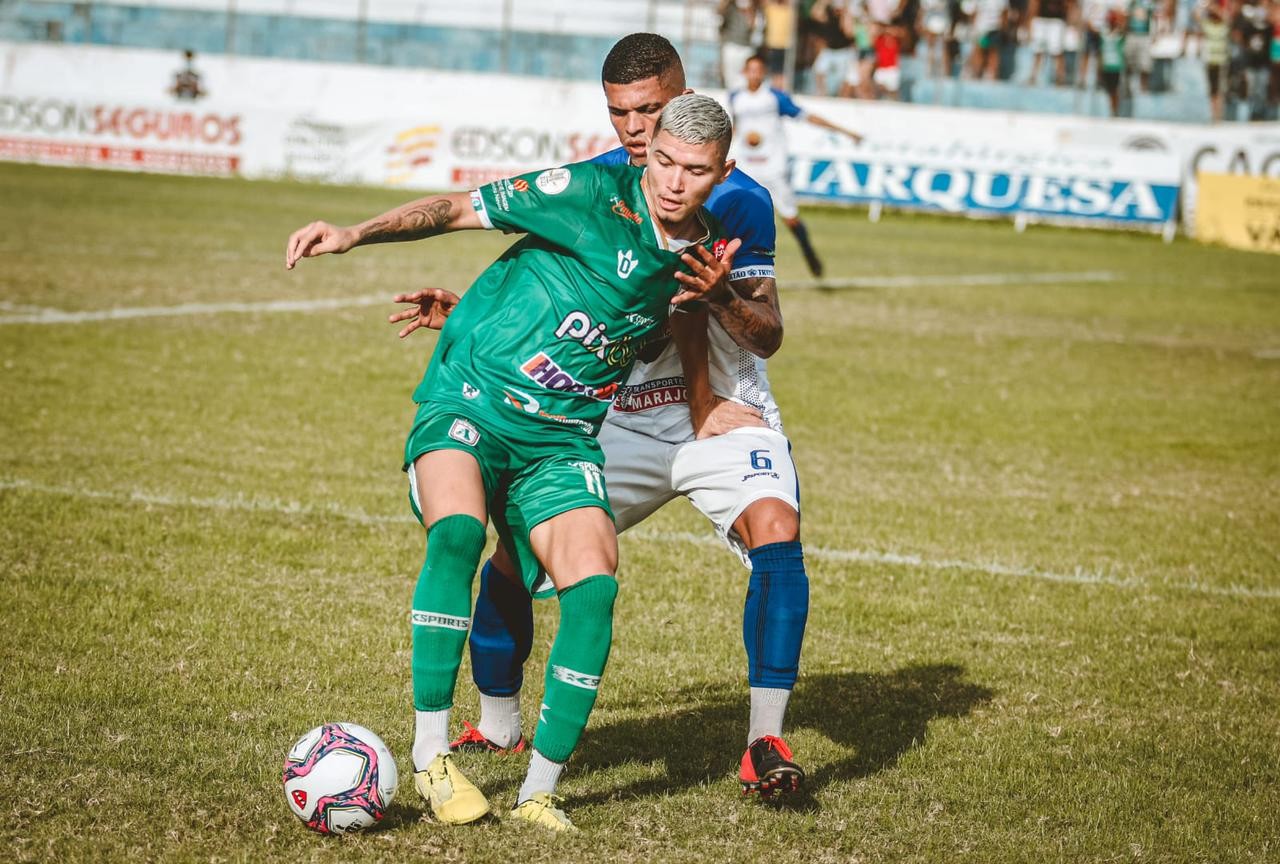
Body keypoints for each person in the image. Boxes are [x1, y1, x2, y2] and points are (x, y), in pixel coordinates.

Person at [284, 93, 740, 831]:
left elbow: (614, 329)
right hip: (471, 400)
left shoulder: (701, 256)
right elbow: (457, 209)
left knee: (593, 588)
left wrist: (714, 308)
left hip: (560, 441)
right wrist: (353, 233)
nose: (674, 182)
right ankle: (431, 759)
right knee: (458, 534)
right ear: (647, 149)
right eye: (663, 161)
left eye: (695, 170)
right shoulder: (588, 193)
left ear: (722, 172)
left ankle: (538, 794)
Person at [401, 32, 814, 801]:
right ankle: (496, 722)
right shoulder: (599, 185)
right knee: (515, 556)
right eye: (621, 113)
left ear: (683, 102)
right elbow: (578, 293)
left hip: (725, 412)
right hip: (616, 415)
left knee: (777, 532)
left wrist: (718, 323)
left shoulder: (742, 200)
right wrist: (489, 322)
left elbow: (764, 331)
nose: (634, 130)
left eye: (651, 111)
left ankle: (764, 741)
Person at [729, 53, 863, 278]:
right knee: (734, 218)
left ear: (764, 73)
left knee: (790, 217)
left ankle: (809, 253)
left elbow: (807, 117)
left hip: (773, 167)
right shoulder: (736, 98)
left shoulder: (775, 98)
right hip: (746, 168)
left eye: (758, 70)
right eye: (750, 69)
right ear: (744, 72)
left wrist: (845, 132)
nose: (754, 74)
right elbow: (737, 126)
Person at [1026, 0, 1075, 85]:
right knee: (1038, 51)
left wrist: (1070, 20)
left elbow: (1070, 4)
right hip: (1041, 20)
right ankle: (1033, 77)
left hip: (1056, 21)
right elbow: (1034, 3)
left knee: (1057, 52)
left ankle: (1060, 78)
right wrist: (1030, 21)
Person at [1099, 8, 1127, 115]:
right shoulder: (1104, 34)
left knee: (1114, 90)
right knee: (1109, 90)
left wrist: (1121, 18)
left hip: (1116, 66)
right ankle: (1111, 110)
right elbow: (1101, 52)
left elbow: (1124, 30)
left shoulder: (1118, 34)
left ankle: (1114, 111)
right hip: (1106, 66)